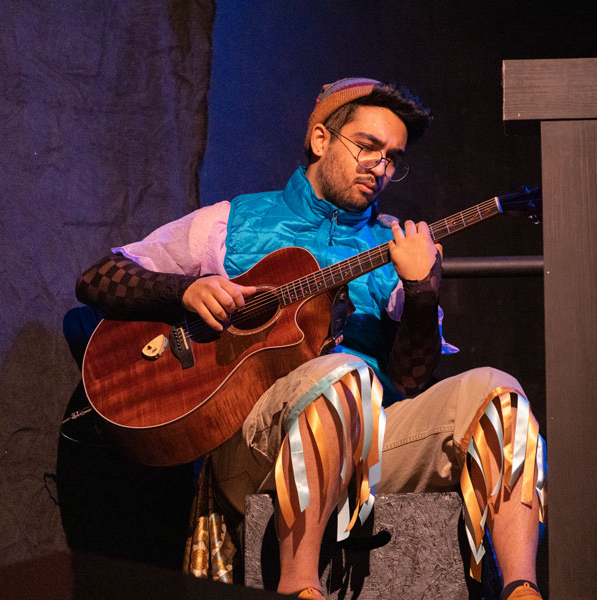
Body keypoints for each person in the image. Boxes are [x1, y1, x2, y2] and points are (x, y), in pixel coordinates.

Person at [76, 77, 546, 600]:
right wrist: (186, 291)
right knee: (341, 374)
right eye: (367, 147)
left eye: (392, 158)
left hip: (368, 441)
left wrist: (420, 294)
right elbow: (100, 277)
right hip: (254, 447)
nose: (380, 168)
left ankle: (521, 588)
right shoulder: (233, 223)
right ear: (322, 139)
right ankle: (299, 586)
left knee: (497, 390)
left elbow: (411, 380)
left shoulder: (397, 243)